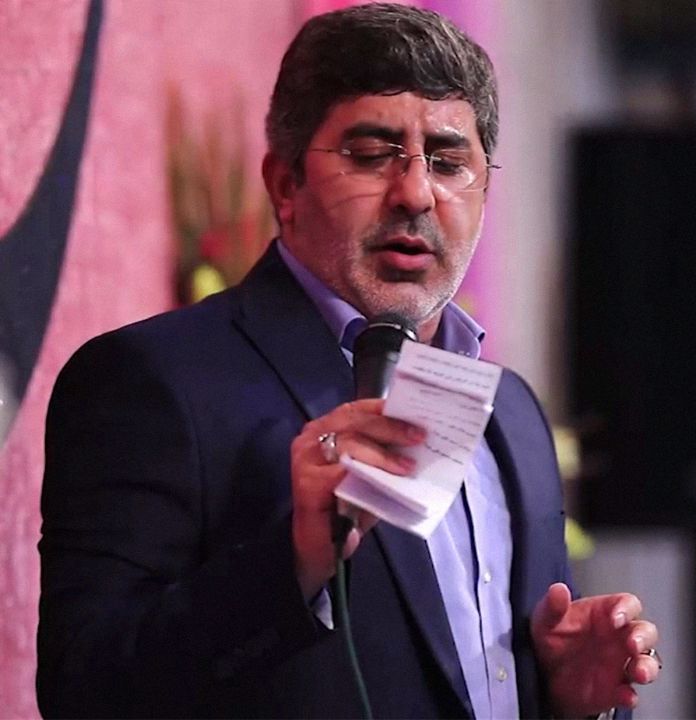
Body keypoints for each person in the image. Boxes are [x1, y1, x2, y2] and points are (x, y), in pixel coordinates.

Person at [37, 4, 661, 718]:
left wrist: (567, 699)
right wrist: (294, 563)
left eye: (449, 162)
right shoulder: (153, 382)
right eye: (370, 155)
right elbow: (83, 692)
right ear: (285, 185)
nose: (416, 193)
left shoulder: (512, 410)